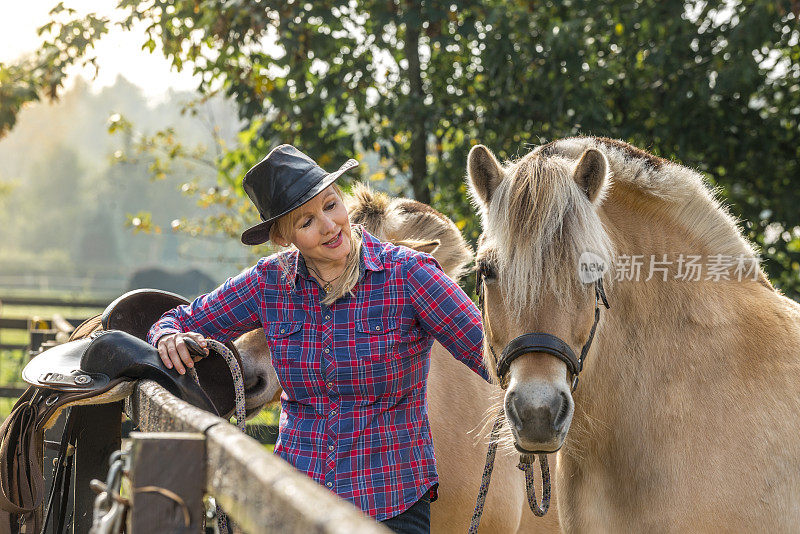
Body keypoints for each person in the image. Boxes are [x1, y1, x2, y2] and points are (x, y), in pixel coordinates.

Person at [147, 145, 491, 534]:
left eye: (330, 205)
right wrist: (167, 335)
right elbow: (179, 318)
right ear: (283, 237)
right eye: (307, 221)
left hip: (389, 503)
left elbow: (491, 355)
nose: (329, 226)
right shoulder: (269, 284)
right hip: (296, 500)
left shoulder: (410, 275)